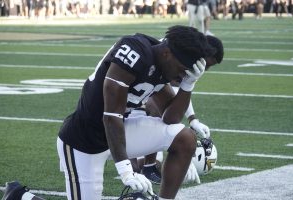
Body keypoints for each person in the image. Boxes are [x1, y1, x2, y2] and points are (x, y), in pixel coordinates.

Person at [56, 25, 216, 200]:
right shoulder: (135, 51)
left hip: (120, 132)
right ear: (167, 54)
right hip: (84, 139)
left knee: (185, 138)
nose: (182, 76)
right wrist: (126, 171)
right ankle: (23, 196)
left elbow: (171, 118)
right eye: (182, 70)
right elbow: (111, 116)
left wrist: (188, 85)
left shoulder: (163, 63)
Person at [136, 35, 224, 185]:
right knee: (133, 166)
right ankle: (147, 166)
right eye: (207, 64)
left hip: (143, 95)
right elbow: (172, 96)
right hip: (128, 103)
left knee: (157, 160)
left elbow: (179, 93)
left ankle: (148, 163)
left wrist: (192, 119)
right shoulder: (175, 57)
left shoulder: (189, 59)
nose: (206, 69)